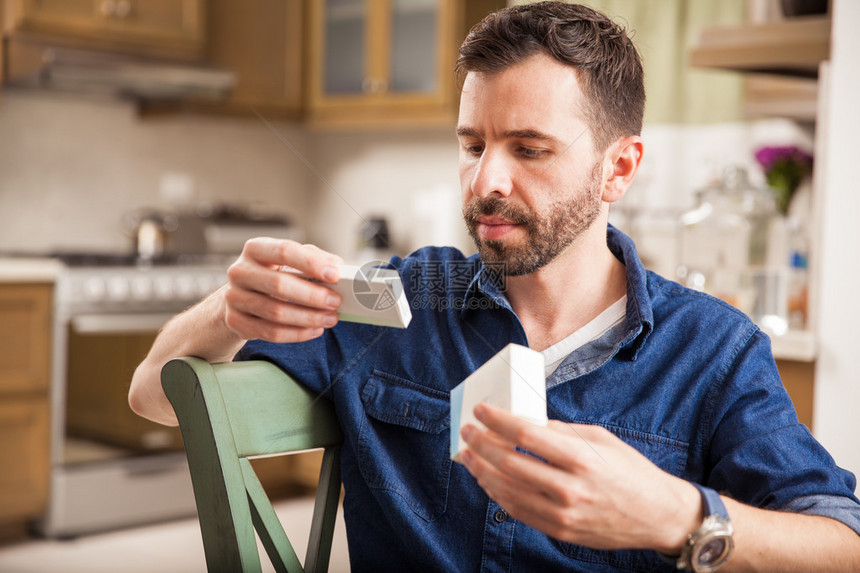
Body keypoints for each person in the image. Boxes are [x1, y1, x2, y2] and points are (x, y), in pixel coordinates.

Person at [130, 2, 860, 571]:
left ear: (620, 168)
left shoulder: (713, 349)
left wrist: (678, 517)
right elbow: (155, 396)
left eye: (529, 149)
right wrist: (230, 309)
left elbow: (842, 542)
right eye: (472, 144)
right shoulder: (392, 305)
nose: (487, 181)